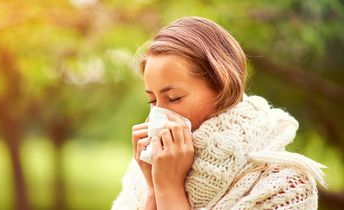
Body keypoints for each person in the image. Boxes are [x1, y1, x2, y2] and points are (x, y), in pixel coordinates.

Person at [111, 16, 326, 210]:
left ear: (222, 88)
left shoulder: (285, 184)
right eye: (152, 100)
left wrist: (169, 189)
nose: (159, 114)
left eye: (174, 97)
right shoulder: (143, 172)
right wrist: (153, 188)